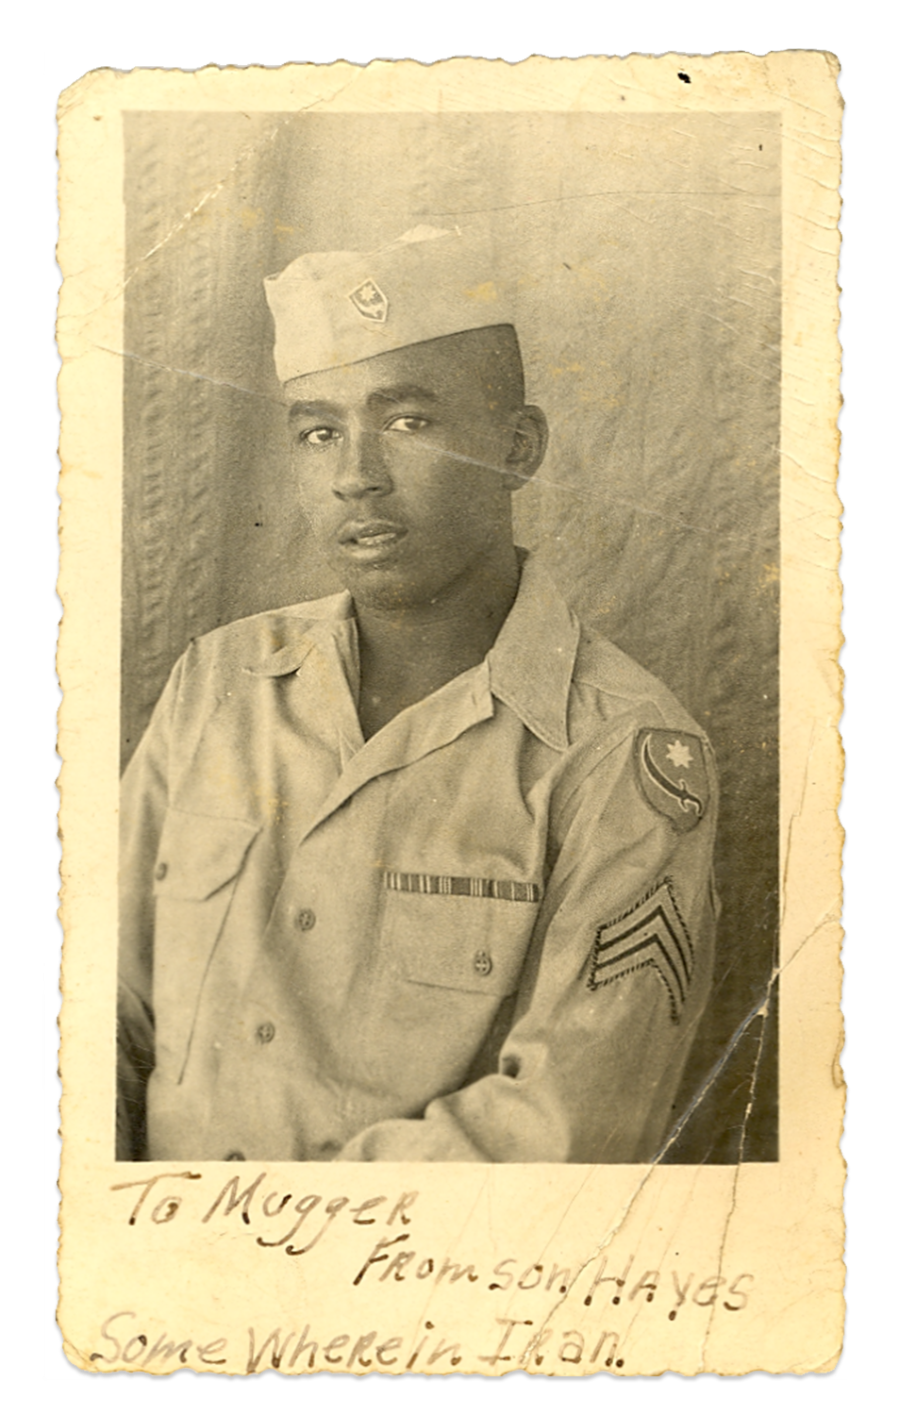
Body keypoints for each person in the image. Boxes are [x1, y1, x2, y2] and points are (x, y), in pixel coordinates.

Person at [117, 225, 719, 1164]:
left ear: (517, 448)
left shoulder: (616, 751)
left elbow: (562, 1132)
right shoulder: (218, 681)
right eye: (319, 432)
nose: (355, 477)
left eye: (406, 422)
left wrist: (244, 1230)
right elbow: (92, 1009)